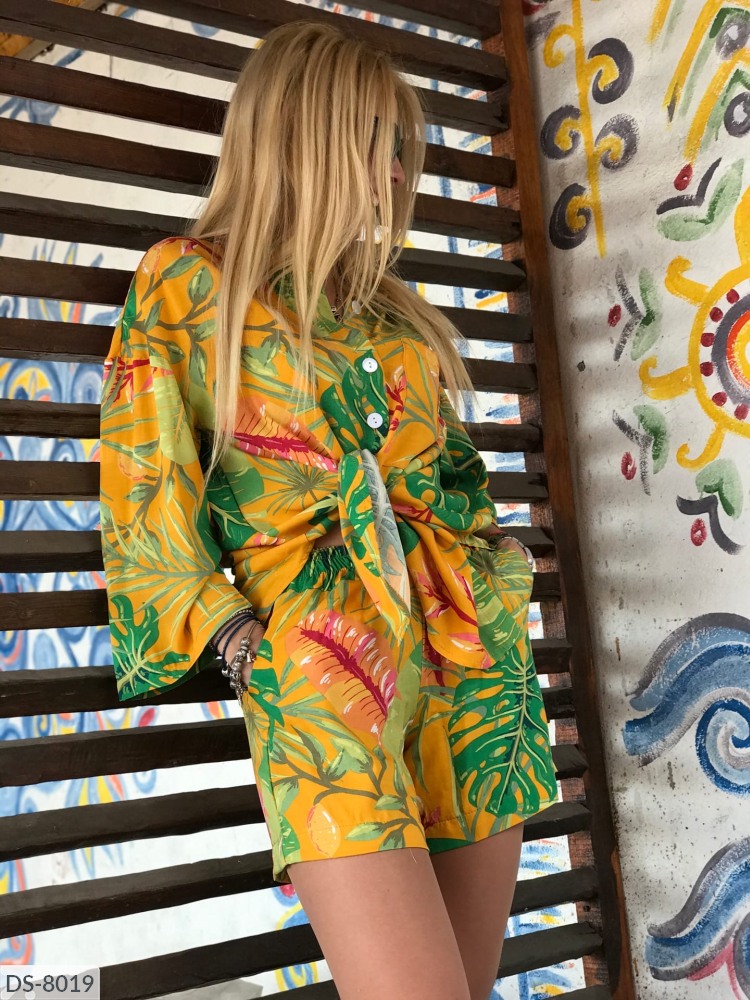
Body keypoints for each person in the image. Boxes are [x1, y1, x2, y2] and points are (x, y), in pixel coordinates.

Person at [99, 20, 558, 1000]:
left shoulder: (391, 309)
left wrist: (499, 570)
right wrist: (240, 640)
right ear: (305, 133)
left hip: (471, 660)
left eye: (404, 148)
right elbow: (146, 498)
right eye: (376, 140)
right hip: (328, 676)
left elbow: (455, 476)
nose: (397, 171)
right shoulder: (189, 282)